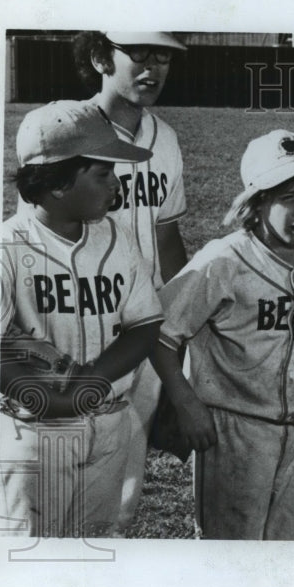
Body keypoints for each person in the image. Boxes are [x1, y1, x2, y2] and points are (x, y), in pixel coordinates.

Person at [152, 130, 294, 540]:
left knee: (290, 555)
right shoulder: (224, 261)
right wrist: (186, 403)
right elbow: (159, 334)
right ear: (256, 203)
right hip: (235, 433)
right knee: (231, 557)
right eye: (287, 197)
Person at [0, 100, 163, 537]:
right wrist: (51, 401)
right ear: (56, 184)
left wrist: (93, 381)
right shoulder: (5, 246)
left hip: (108, 420)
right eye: (102, 174)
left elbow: (145, 325)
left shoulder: (116, 236)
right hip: (35, 431)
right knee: (33, 560)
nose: (115, 184)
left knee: (92, 554)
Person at [72, 30, 190, 533]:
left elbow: (167, 233)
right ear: (101, 56)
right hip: (84, 326)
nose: (152, 66)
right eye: (137, 53)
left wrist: (181, 320)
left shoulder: (165, 138)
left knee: (124, 489)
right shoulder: (67, 130)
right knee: (71, 474)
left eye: (162, 55)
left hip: (148, 327)